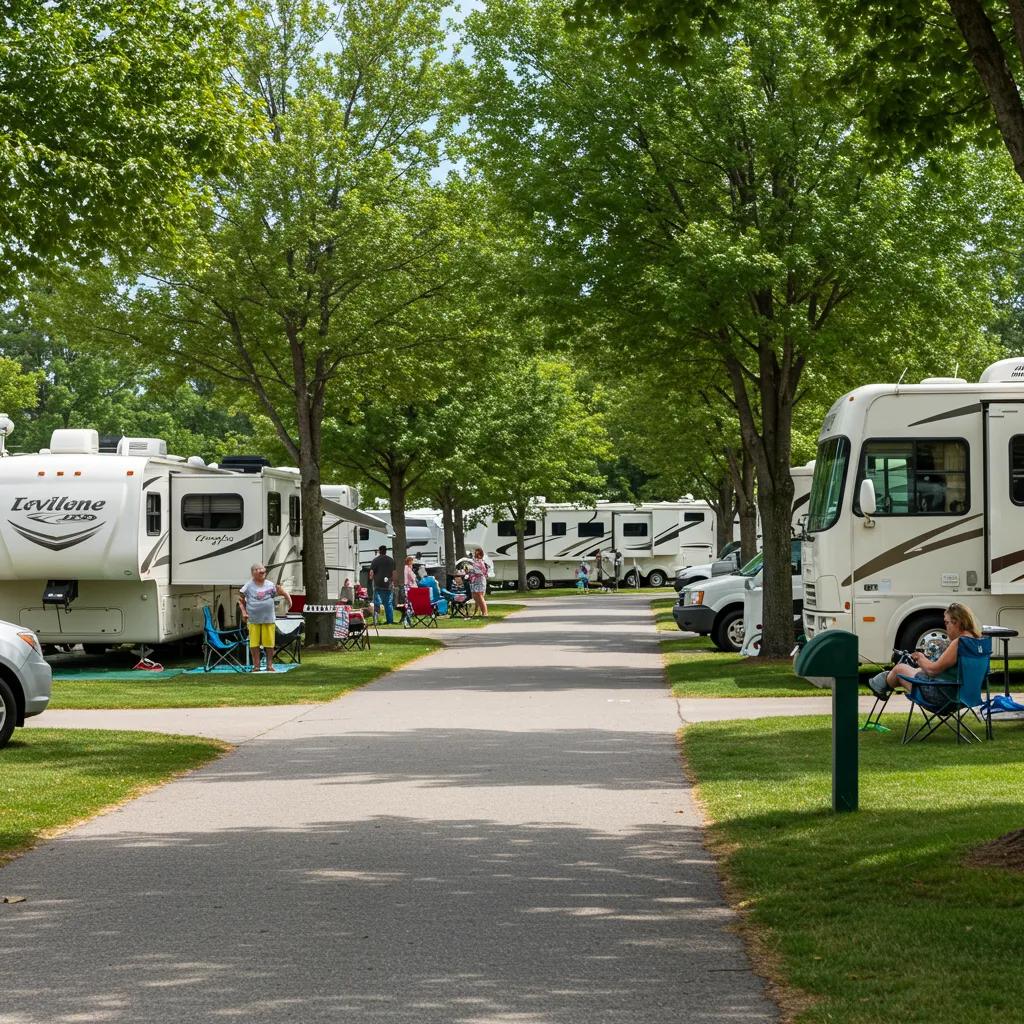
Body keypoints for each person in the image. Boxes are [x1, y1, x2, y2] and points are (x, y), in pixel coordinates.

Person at [867, 602, 982, 705]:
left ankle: (881, 682)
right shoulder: (977, 642)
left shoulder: (959, 643)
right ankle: (882, 681)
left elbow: (933, 670)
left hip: (943, 697)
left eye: (947, 623)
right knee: (918, 671)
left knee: (900, 669)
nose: (946, 627)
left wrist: (920, 657)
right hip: (965, 696)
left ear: (956, 622)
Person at [238, 564, 291, 673]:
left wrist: (288, 598)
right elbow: (240, 601)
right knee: (254, 644)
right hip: (253, 619)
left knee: (269, 644)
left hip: (268, 619)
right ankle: (256, 666)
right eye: (258, 570)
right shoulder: (248, 586)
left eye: (262, 570)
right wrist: (243, 612)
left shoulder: (270, 585)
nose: (261, 572)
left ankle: (269, 666)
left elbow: (280, 592)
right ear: (253, 573)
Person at [369, 544, 396, 625]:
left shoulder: (375, 560)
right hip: (388, 586)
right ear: (386, 551)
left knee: (377, 604)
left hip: (378, 585)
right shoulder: (391, 560)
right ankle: (390, 621)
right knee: (389, 604)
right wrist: (394, 582)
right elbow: (394, 573)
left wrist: (371, 578)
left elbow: (371, 573)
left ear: (379, 551)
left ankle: (376, 621)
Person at [467, 547, 490, 616]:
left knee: (480, 596)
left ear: (481, 555)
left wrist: (471, 570)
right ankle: (478, 611)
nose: (476, 555)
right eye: (475, 553)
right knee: (475, 596)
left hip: (479, 580)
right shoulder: (474, 561)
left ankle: (485, 612)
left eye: (478, 553)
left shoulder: (481, 562)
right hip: (474, 580)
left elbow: (481, 572)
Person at [401, 555, 417, 626]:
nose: (413, 563)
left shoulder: (405, 568)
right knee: (410, 604)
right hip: (410, 588)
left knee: (408, 605)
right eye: (412, 561)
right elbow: (413, 579)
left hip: (407, 588)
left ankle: (408, 620)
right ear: (410, 561)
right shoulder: (408, 568)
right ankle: (407, 620)